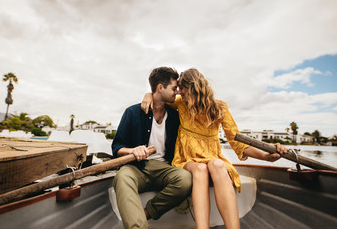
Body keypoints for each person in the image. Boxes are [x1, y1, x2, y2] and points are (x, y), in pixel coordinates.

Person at [142, 68, 289, 229]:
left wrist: (266, 157)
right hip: (187, 159)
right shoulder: (180, 104)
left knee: (218, 165)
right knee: (200, 169)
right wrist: (147, 95)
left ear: (191, 88)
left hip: (212, 158)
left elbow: (237, 143)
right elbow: (159, 96)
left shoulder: (220, 108)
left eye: (181, 88)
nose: (178, 92)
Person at [112, 67, 192, 229]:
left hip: (164, 168)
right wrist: (132, 150)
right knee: (122, 177)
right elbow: (117, 146)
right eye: (173, 88)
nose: (176, 92)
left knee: (185, 179)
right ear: (160, 88)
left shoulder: (176, 116)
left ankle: (145, 214)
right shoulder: (132, 112)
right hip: (136, 167)